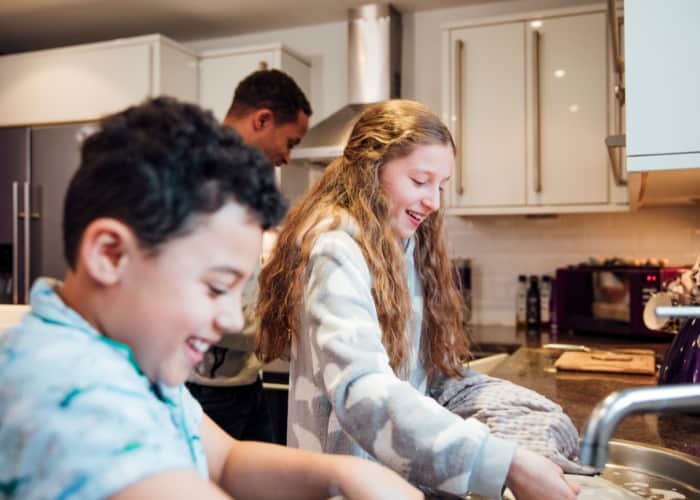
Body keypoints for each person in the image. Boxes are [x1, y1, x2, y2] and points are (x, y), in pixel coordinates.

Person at [0, 97, 422, 500]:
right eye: (216, 287)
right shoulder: (68, 394)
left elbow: (224, 461)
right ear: (110, 255)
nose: (234, 321)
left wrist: (341, 472)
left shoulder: (122, 359)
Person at [256, 99, 581, 500]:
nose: (434, 201)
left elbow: (418, 375)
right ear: (370, 170)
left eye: (440, 185)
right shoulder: (336, 250)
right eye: (420, 181)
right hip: (346, 485)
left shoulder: (400, 242)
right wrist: (501, 463)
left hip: (398, 481)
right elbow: (363, 394)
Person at [187, 68, 311, 442]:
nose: (288, 157)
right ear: (262, 120)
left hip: (238, 380)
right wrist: (287, 333)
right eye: (290, 142)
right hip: (205, 389)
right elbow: (198, 297)